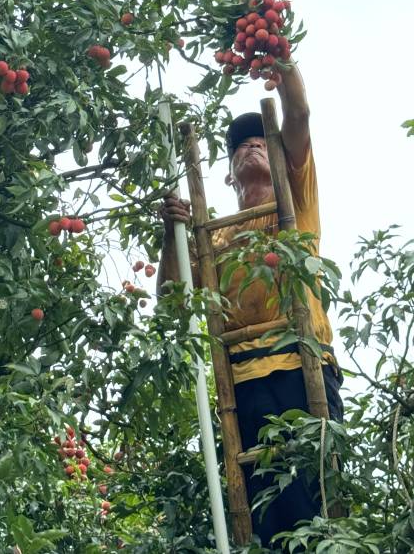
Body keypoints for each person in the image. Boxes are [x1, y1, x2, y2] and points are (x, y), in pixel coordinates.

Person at [157, 60, 344, 548]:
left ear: (279, 156)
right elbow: (172, 302)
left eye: (260, 140)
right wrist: (170, 236)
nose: (251, 146)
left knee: (316, 500)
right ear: (227, 177)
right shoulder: (212, 236)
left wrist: (277, 53)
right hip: (244, 382)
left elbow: (298, 114)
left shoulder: (293, 201)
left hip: (305, 369)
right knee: (267, 517)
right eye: (239, 146)